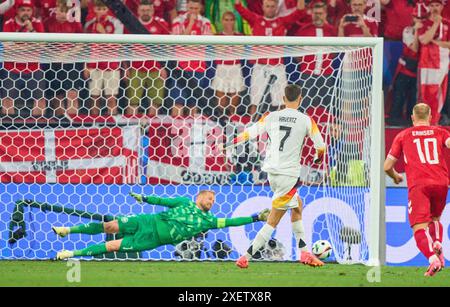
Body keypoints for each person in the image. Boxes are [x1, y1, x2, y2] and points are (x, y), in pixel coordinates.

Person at [222, 84, 326, 268]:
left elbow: (248, 133)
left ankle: (304, 252)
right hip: (289, 174)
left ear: (283, 99)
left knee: (297, 206)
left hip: (271, 172)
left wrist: (229, 143)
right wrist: (318, 160)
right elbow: (321, 147)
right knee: (274, 219)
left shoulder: (271, 117)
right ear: (300, 98)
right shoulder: (306, 120)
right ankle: (245, 257)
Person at [53, 190, 270, 259]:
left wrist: (255, 217)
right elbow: (163, 201)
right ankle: (67, 230)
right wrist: (144, 199)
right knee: (109, 226)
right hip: (148, 221)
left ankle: (70, 254)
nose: (212, 202)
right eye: (209, 198)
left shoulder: (209, 221)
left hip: (152, 239)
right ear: (199, 197)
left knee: (112, 246)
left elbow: (232, 221)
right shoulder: (184, 202)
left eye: (214, 201)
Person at [384, 103, 450, 276]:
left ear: (412, 118)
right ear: (430, 117)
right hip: (441, 183)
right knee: (435, 218)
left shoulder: (403, 135)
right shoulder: (441, 132)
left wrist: (395, 176)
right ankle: (436, 242)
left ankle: (432, 258)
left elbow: (387, 166)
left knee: (419, 228)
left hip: (419, 185)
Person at [234, 0, 308, 117]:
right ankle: (252, 128)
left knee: (282, 102)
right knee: (255, 102)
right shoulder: (256, 20)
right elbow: (238, 7)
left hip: (277, 67)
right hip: (260, 66)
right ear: (263, 7)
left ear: (276, 7)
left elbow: (300, 11)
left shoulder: (282, 22)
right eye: (267, 6)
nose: (270, 9)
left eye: (273, 6)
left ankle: (280, 127)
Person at [1, 0, 46, 118]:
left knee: (40, 100)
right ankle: (9, 129)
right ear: (17, 11)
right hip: (12, 68)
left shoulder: (37, 23)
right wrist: (31, 47)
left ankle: (37, 129)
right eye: (23, 10)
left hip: (33, 68)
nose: (26, 13)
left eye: (28, 10)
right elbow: (7, 48)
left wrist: (31, 30)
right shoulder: (8, 23)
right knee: (7, 100)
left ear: (32, 11)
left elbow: (41, 45)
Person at [124, 0, 170, 116]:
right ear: (138, 11)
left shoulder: (161, 24)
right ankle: (131, 129)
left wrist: (164, 67)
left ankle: (151, 131)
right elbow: (125, 48)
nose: (146, 12)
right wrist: (125, 68)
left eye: (148, 10)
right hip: (136, 67)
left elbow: (167, 48)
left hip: (156, 68)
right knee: (133, 101)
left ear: (153, 10)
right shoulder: (131, 24)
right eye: (143, 10)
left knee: (155, 101)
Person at [170, 0, 212, 117]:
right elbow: (179, 41)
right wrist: (191, 23)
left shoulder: (205, 22)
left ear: (201, 9)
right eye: (191, 8)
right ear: (187, 6)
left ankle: (192, 132)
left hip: (198, 67)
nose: (193, 11)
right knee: (178, 101)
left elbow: (207, 42)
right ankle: (176, 132)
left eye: (196, 9)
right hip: (181, 67)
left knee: (194, 103)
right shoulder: (178, 20)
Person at [293, 2, 336, 110]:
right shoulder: (303, 30)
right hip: (307, 73)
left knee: (327, 105)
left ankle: (326, 126)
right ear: (311, 14)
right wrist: (306, 63)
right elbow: (296, 52)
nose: (318, 15)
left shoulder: (332, 30)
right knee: (304, 105)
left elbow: (335, 52)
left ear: (325, 14)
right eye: (315, 13)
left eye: (320, 13)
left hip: (327, 73)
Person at [44, 0, 84, 117]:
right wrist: (55, 55)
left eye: (66, 12)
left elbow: (81, 44)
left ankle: (73, 125)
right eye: (61, 11)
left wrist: (66, 55)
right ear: (56, 10)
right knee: (57, 95)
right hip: (54, 62)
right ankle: (60, 122)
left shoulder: (75, 23)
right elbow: (43, 44)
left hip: (71, 63)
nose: (63, 14)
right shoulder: (48, 23)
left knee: (72, 94)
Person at [84, 0, 124, 116]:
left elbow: (118, 44)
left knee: (111, 98)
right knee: (94, 98)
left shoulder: (116, 23)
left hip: (111, 65)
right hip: (94, 65)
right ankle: (94, 126)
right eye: (98, 9)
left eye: (104, 9)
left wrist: (103, 34)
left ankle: (112, 125)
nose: (101, 12)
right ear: (94, 9)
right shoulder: (89, 24)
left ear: (108, 10)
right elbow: (86, 47)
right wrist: (85, 65)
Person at [386, 2, 423, 126]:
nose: (418, 20)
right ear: (412, 18)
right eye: (416, 18)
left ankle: (410, 120)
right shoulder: (407, 30)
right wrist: (417, 31)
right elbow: (414, 49)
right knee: (399, 95)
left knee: (413, 97)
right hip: (405, 68)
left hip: (419, 68)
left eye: (421, 18)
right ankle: (394, 119)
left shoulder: (426, 32)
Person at [417, 0, 450, 126]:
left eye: (437, 5)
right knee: (424, 95)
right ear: (428, 7)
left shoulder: (448, 24)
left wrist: (435, 42)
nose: (435, 8)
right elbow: (424, 40)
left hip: (442, 65)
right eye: (432, 5)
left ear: (442, 6)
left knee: (439, 95)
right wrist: (436, 23)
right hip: (426, 65)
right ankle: (423, 123)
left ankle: (435, 121)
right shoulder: (423, 23)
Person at [211, 11, 245, 122]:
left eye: (231, 19)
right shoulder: (217, 36)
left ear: (234, 21)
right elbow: (218, 51)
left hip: (235, 67)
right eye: (226, 19)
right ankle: (221, 119)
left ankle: (232, 119)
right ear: (222, 21)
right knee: (221, 95)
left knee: (235, 95)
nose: (229, 22)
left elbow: (240, 52)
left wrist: (225, 48)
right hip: (222, 67)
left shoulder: (240, 36)